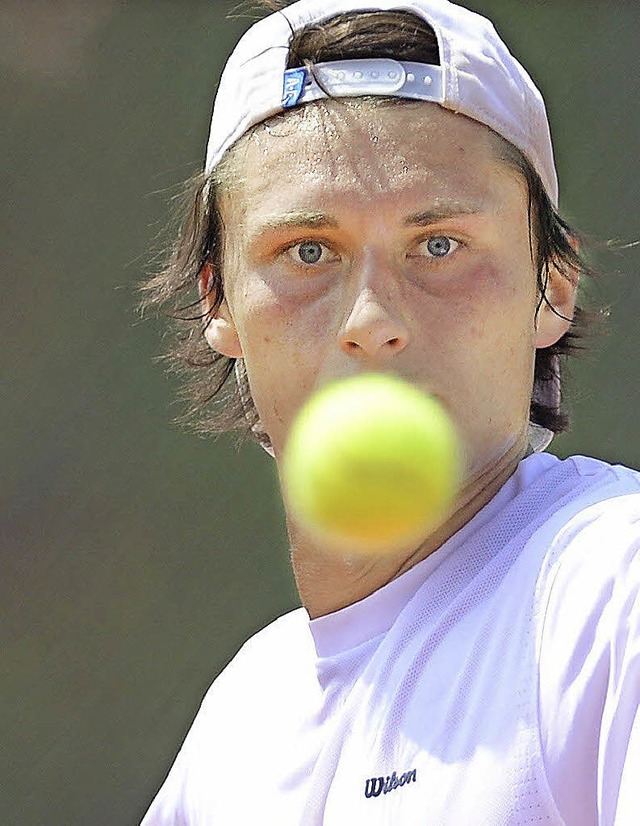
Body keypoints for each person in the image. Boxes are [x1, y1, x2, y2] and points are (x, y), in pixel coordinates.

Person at [140, 1, 640, 823]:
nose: (373, 321)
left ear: (553, 285)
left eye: (439, 244)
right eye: (307, 252)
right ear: (218, 299)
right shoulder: (241, 721)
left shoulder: (612, 590)